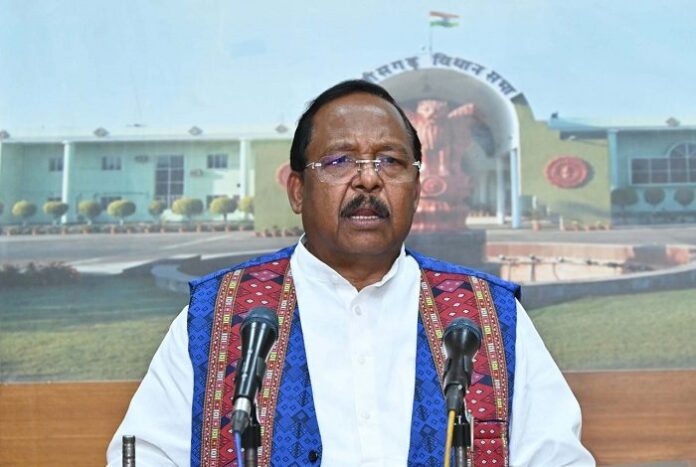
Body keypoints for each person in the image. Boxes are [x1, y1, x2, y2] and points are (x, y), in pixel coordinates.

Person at [107, 80, 595, 466]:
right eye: (340, 160)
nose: (368, 178)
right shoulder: (219, 316)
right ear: (297, 190)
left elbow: (555, 457)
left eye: (391, 161)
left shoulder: (487, 317)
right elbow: (142, 453)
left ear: (417, 188)